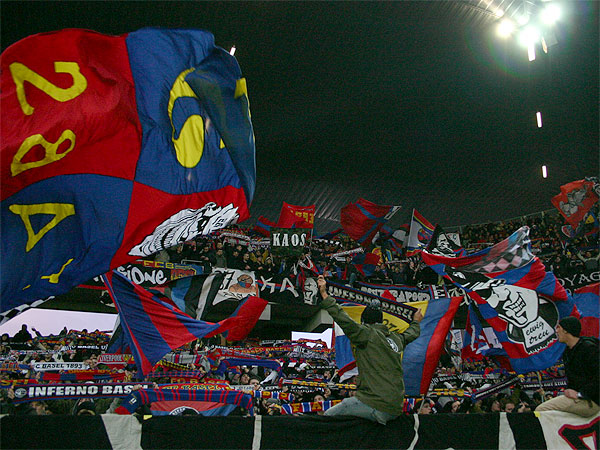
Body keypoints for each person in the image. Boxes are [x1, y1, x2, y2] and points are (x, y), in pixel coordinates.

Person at [316, 275, 423, 424]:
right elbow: (411, 333)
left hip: (375, 404)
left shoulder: (365, 334)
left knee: (327, 418)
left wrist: (324, 294)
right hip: (396, 406)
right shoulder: (396, 338)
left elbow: (343, 318)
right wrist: (416, 321)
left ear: (364, 322)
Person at [536, 316, 599, 417]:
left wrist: (581, 394)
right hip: (581, 398)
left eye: (558, 327)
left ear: (566, 330)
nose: (556, 331)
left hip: (592, 400)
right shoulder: (568, 351)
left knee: (541, 410)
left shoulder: (589, 349)